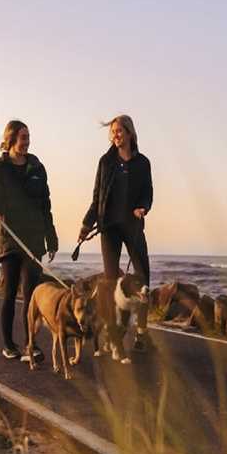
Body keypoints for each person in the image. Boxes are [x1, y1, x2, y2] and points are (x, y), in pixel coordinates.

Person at [79, 114, 153, 352]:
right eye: (112, 132)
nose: (115, 135)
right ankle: (113, 334)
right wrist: (86, 224)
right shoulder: (105, 162)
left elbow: (147, 192)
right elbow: (97, 197)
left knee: (143, 278)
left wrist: (143, 207)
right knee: (110, 282)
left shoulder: (143, 163)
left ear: (130, 133)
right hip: (109, 228)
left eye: (119, 131)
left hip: (132, 226)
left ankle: (141, 333)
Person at [0, 120, 59, 360]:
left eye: (28, 137)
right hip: (9, 239)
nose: (26, 142)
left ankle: (31, 345)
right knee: (9, 293)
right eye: (22, 137)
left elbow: (45, 205)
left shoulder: (37, 168)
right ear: (11, 140)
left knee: (31, 294)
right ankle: (9, 344)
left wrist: (51, 236)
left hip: (33, 239)